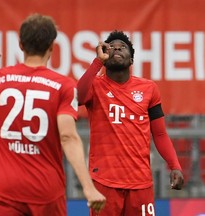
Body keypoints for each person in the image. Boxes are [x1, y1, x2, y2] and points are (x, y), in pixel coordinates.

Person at [0, 13, 106, 216]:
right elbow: (68, 136)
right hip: (45, 191)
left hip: (3, 189)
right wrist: (88, 187)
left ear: (20, 45)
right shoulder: (64, 86)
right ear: (52, 46)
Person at [77, 30, 184, 215]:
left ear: (131, 59)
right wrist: (97, 62)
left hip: (140, 184)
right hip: (104, 182)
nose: (117, 48)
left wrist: (175, 165)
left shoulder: (149, 89)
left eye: (123, 46)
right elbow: (76, 97)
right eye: (111, 47)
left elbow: (159, 134)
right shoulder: (95, 86)